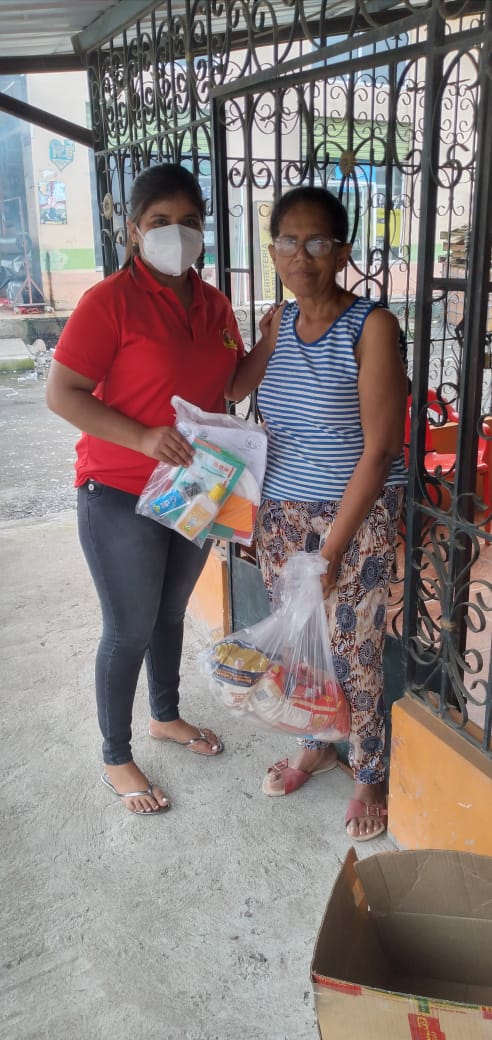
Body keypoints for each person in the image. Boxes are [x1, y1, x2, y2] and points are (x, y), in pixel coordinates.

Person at [46, 163, 245, 815]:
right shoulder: (109, 302)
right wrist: (142, 438)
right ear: (134, 231)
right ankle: (115, 754)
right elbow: (63, 394)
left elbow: (230, 385)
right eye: (161, 221)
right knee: (129, 627)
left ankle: (165, 716)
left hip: (191, 489)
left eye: (189, 221)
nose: (176, 233)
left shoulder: (213, 304)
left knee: (168, 614)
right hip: (118, 491)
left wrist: (268, 346)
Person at [226, 185, 407, 841]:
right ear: (273, 250)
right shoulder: (278, 320)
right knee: (302, 645)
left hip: (353, 516)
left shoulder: (371, 327)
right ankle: (317, 742)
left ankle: (368, 772)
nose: (300, 255)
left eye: (316, 241)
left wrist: (329, 551)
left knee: (353, 650)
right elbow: (236, 388)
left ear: (342, 252)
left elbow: (381, 449)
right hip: (281, 513)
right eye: (287, 241)